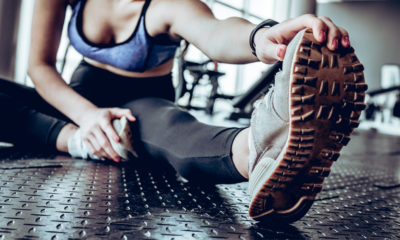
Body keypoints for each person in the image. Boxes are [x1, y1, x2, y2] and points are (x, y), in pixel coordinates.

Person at [0, 0, 366, 222]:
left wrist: (263, 36)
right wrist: (85, 123)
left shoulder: (167, 4)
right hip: (78, 97)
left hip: (141, 102)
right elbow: (39, 66)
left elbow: (215, 32)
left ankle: (264, 151)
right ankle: (75, 141)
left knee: (174, 133)